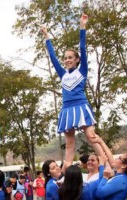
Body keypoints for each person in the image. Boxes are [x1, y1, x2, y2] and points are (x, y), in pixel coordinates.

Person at [41, 14, 109, 171]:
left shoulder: (82, 70)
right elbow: (52, 57)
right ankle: (66, 173)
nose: (66, 60)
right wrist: (47, 37)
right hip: (67, 109)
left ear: (77, 59)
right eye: (65, 58)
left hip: (80, 106)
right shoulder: (63, 74)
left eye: (70, 57)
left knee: (91, 136)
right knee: (70, 143)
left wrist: (82, 27)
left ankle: (105, 164)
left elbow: (83, 49)